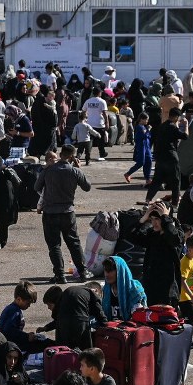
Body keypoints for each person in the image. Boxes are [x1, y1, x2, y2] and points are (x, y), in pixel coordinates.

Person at [35, 145, 91, 283]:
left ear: (60, 154)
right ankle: (82, 272)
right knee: (74, 243)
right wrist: (79, 169)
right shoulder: (74, 171)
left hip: (50, 212)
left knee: (54, 245)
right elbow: (87, 187)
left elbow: (36, 187)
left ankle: (59, 275)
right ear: (72, 156)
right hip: (67, 212)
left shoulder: (48, 170)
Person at [37, 284, 106, 350]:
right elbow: (100, 313)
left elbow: (59, 319)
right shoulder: (85, 294)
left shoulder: (67, 294)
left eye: (49, 305)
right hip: (80, 322)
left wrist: (47, 327)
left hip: (66, 323)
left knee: (63, 349)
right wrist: (105, 325)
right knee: (85, 351)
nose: (48, 308)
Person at [101, 256, 146, 322]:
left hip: (130, 329)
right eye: (105, 270)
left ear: (120, 271)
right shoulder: (106, 290)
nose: (107, 274)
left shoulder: (134, 289)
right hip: (111, 329)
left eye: (110, 270)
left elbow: (139, 316)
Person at [124, 112, 152, 184]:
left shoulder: (144, 127)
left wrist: (148, 131)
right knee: (141, 162)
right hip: (141, 147)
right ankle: (128, 173)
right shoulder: (139, 127)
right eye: (146, 120)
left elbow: (148, 136)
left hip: (147, 147)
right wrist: (148, 130)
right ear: (141, 119)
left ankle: (148, 178)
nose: (147, 121)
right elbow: (144, 135)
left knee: (149, 161)